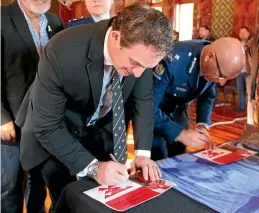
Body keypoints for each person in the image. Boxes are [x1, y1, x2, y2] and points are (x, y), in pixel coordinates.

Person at [17, 3, 172, 208]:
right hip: (54, 131)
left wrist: (143, 154)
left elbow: (142, 100)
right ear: (116, 38)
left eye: (146, 68)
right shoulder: (63, 50)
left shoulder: (141, 56)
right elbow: (47, 126)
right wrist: (93, 168)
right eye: (134, 64)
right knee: (63, 198)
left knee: (96, 200)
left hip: (94, 128)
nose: (137, 74)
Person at [1, 0, 63, 212]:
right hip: (12, 121)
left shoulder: (55, 22)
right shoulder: (2, 18)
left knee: (38, 182)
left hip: (47, 121)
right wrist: (1, 118)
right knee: (9, 186)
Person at [152, 38, 245, 160]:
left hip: (178, 110)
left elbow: (207, 96)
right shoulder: (173, 59)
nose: (221, 83)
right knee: (158, 158)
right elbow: (148, 106)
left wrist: (202, 125)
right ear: (209, 57)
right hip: (154, 114)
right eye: (222, 76)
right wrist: (180, 133)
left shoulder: (215, 62)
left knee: (179, 156)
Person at [236, 26, 253, 111]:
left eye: (244, 32)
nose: (242, 34)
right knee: (240, 89)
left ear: (248, 33)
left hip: (248, 69)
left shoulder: (252, 43)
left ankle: (250, 107)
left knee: (249, 90)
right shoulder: (237, 44)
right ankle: (241, 106)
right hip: (239, 69)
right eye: (240, 33)